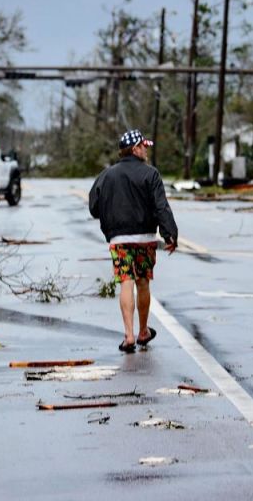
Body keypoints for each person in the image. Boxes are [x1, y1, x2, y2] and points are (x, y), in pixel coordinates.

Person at [88, 129, 179, 353]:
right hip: (145, 239)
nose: (146, 149)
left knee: (125, 281)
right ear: (135, 149)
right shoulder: (151, 174)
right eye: (144, 146)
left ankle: (128, 336)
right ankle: (143, 331)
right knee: (143, 282)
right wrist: (170, 234)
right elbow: (161, 206)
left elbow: (93, 207)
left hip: (119, 239)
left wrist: (111, 217)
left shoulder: (106, 175)